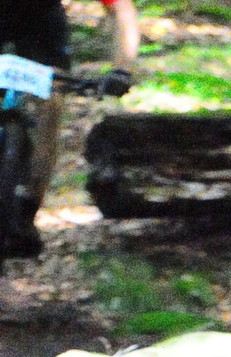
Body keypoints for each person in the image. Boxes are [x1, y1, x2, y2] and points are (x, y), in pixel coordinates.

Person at [2, 0, 138, 258]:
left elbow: (121, 9)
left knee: (52, 97)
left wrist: (122, 70)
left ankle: (27, 209)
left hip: (39, 20)